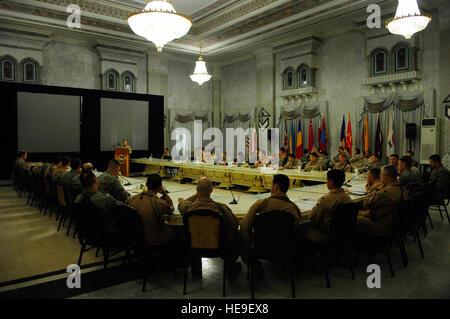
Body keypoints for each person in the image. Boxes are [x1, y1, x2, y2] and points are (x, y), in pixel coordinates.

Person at [178, 177, 241, 266]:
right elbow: (235, 225)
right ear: (211, 190)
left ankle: (195, 268)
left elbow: (182, 203)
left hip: (193, 247)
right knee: (237, 236)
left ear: (196, 190)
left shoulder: (187, 208)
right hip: (219, 248)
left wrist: (197, 194)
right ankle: (230, 266)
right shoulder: (221, 208)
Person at [241, 174, 301, 266]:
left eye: (271, 184)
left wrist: (249, 243)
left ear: (276, 186)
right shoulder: (294, 209)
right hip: (285, 247)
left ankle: (257, 267)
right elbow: (295, 228)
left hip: (260, 247)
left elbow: (244, 225)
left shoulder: (260, 204)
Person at [300, 169, 352, 243]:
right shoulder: (347, 197)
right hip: (342, 232)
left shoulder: (325, 200)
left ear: (331, 182)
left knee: (300, 228)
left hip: (325, 234)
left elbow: (313, 219)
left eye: (327, 180)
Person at [127, 174, 176, 248]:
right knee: (176, 231)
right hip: (150, 239)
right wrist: (164, 194)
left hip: (132, 237)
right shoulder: (159, 203)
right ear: (160, 187)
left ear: (146, 184)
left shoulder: (132, 199)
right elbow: (171, 208)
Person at [356, 165, 405, 237]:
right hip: (392, 222)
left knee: (349, 217)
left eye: (381, 174)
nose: (380, 176)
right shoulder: (399, 187)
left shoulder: (386, 192)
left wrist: (372, 191)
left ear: (387, 176)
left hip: (382, 225)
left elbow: (366, 203)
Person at [75, 170, 123, 239]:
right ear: (95, 182)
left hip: (87, 234)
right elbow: (120, 208)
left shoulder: (78, 199)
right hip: (105, 235)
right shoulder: (104, 199)